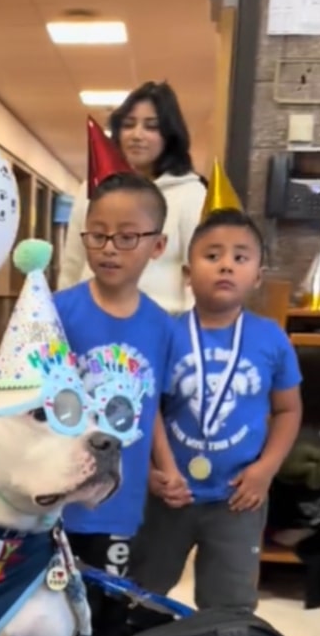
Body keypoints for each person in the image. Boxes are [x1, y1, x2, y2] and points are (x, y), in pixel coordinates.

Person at [130, 208, 303, 611]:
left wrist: (265, 471)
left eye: (240, 257)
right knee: (141, 593)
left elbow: (288, 411)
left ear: (257, 276)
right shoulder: (165, 334)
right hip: (169, 494)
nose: (226, 265)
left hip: (238, 497)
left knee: (230, 606)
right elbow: (147, 406)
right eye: (212, 256)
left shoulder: (271, 339)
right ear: (188, 274)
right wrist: (157, 470)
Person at [54, 172, 173, 578]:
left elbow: (151, 404)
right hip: (53, 493)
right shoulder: (57, 311)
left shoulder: (161, 326)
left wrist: (166, 466)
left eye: (126, 237)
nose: (109, 249)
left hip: (119, 502)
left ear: (157, 246)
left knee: (105, 611)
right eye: (97, 235)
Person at [58, 81, 206, 315]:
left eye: (151, 127)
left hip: (161, 328)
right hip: (89, 320)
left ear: (169, 135)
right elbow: (73, 265)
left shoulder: (191, 193)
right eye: (128, 125)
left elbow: (202, 271)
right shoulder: (94, 188)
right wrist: (60, 318)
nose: (137, 135)